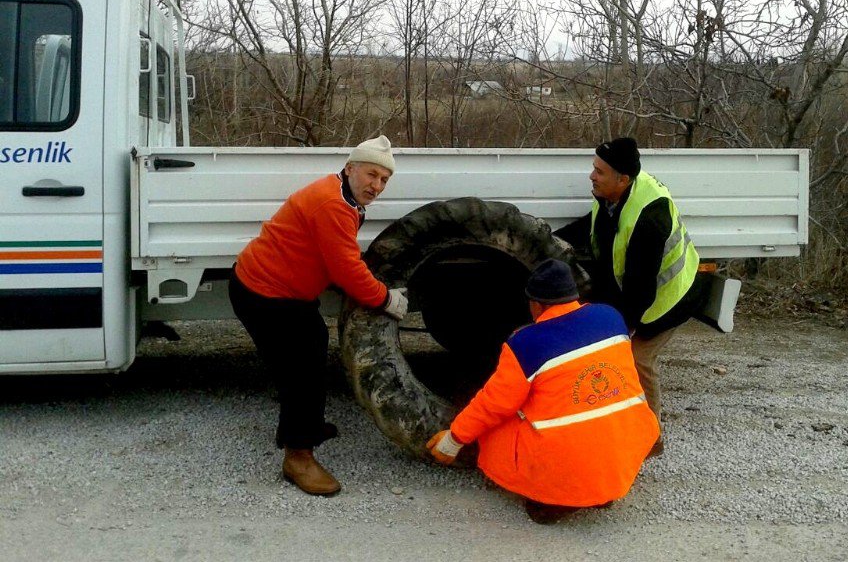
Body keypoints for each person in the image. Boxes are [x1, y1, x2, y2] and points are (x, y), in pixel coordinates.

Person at [228, 135, 408, 496]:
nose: (377, 185)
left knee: (313, 345)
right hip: (264, 293)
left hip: (282, 291)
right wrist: (386, 299)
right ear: (350, 168)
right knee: (302, 369)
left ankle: (306, 424)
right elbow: (346, 270)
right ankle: (297, 457)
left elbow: (334, 258)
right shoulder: (332, 203)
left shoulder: (342, 195)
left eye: (384, 180)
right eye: (371, 174)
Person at [425, 259, 659, 524]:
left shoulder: (526, 344)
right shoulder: (611, 317)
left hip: (569, 463)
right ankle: (602, 488)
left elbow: (494, 404)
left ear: (535, 304)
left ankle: (553, 499)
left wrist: (455, 437)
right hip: (624, 454)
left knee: (497, 426)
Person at [554, 137, 706, 457]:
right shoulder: (610, 194)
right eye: (593, 168)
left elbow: (641, 289)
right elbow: (591, 227)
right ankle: (620, 416)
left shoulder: (649, 216)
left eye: (599, 171)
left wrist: (624, 330)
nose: (591, 176)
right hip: (639, 289)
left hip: (670, 296)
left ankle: (652, 437)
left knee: (636, 358)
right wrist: (550, 242)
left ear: (622, 179)